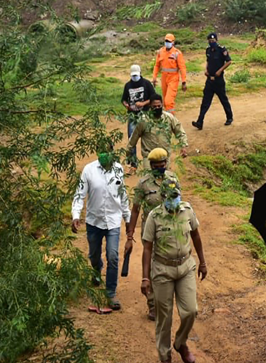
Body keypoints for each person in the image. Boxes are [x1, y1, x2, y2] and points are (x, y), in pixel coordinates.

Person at [142, 189, 207, 363]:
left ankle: (180, 343)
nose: (174, 201)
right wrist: (145, 278)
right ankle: (165, 356)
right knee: (164, 317)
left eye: (176, 197)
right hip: (163, 270)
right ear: (163, 198)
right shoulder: (154, 217)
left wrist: (202, 262)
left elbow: (196, 236)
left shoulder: (187, 211)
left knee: (191, 310)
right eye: (170, 198)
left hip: (185, 267)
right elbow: (147, 248)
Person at [71, 147, 131, 310]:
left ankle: (110, 293)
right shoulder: (89, 170)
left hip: (113, 220)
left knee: (113, 255)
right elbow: (80, 194)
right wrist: (76, 215)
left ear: (113, 152)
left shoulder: (118, 169)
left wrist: (127, 217)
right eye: (102, 152)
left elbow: (122, 194)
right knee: (93, 254)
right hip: (94, 221)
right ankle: (97, 270)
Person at [125, 147, 180, 321]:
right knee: (150, 264)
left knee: (167, 266)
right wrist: (129, 234)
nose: (159, 168)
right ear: (150, 165)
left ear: (166, 163)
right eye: (155, 165)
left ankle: (164, 302)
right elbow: (135, 210)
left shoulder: (172, 179)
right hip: (150, 231)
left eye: (162, 164)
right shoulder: (143, 183)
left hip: (169, 231)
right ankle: (152, 304)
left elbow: (178, 205)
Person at [128, 94, 189, 166]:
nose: (157, 108)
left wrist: (183, 145)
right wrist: (128, 152)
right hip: (149, 157)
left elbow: (180, 132)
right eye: (154, 106)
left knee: (165, 176)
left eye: (159, 106)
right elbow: (134, 137)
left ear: (162, 105)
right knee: (150, 177)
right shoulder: (143, 120)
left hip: (165, 157)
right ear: (150, 106)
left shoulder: (169, 118)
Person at [191, 32, 233, 131]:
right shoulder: (208, 50)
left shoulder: (222, 50)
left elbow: (229, 61)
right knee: (205, 102)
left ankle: (229, 117)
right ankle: (200, 122)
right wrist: (206, 70)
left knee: (223, 100)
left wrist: (220, 70)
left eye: (213, 41)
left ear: (216, 40)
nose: (211, 42)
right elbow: (208, 61)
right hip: (209, 80)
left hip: (219, 80)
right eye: (210, 41)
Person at [122, 64, 155, 167]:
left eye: (136, 75)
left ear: (140, 73)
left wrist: (143, 103)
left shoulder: (147, 84)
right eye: (133, 76)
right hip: (132, 115)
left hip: (144, 114)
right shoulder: (128, 85)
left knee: (148, 138)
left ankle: (150, 161)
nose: (134, 77)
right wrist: (127, 106)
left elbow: (153, 98)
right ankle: (133, 162)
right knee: (132, 138)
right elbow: (123, 99)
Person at [152, 34, 187, 114]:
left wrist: (184, 81)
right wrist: (154, 77)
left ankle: (172, 120)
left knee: (168, 101)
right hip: (164, 79)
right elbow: (157, 65)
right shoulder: (161, 51)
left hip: (173, 79)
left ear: (173, 42)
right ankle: (168, 119)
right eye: (166, 41)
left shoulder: (177, 53)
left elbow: (182, 68)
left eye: (169, 41)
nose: (167, 42)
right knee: (165, 102)